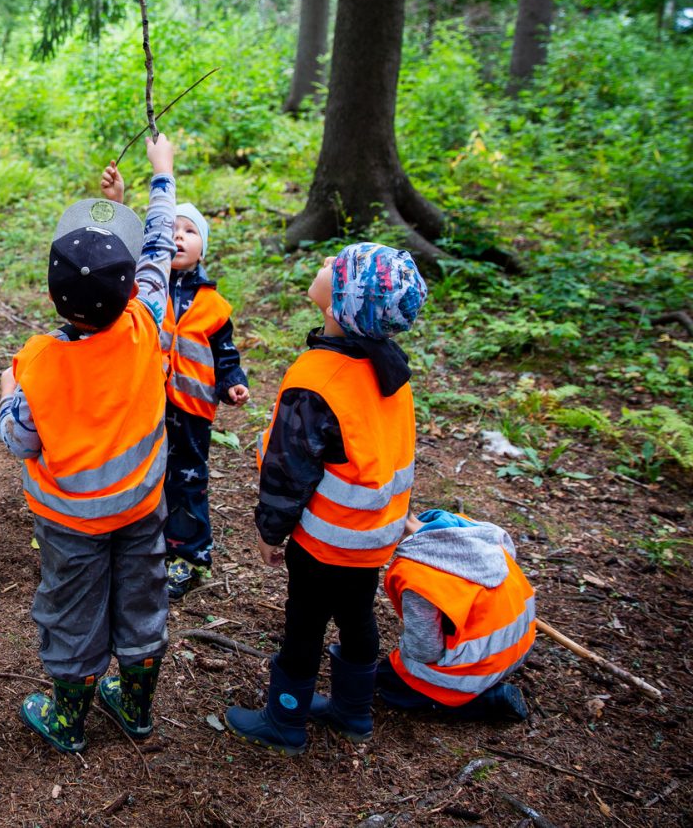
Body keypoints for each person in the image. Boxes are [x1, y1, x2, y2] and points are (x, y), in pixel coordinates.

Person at [0, 134, 178, 754]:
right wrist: (160, 179)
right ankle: (135, 707)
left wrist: (5, 392)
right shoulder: (147, 321)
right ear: (129, 289)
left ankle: (69, 719)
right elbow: (157, 248)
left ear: (53, 294)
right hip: (139, 507)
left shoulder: (38, 365)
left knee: (72, 608)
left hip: (71, 522)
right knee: (142, 598)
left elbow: (20, 440)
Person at [225, 242, 427, 754]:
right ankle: (352, 712)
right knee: (358, 615)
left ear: (343, 304)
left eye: (335, 268)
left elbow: (288, 473)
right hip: (374, 534)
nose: (323, 266)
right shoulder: (390, 368)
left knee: (305, 622)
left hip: (325, 541)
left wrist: (270, 532)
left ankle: (285, 720)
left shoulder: (318, 380)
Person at [101, 168, 249, 600]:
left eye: (190, 231)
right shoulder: (144, 288)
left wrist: (232, 382)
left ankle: (187, 555)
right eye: (172, 229)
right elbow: (127, 255)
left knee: (187, 481)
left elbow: (225, 354)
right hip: (143, 405)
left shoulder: (215, 304)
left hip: (191, 412)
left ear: (203, 246)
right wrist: (121, 202)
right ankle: (138, 548)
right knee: (140, 473)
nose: (179, 237)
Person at [377, 509, 534, 722]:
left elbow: (425, 651)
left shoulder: (416, 573)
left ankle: (485, 701)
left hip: (481, 666)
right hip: (519, 644)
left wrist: (403, 649)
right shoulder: (468, 526)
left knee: (388, 682)